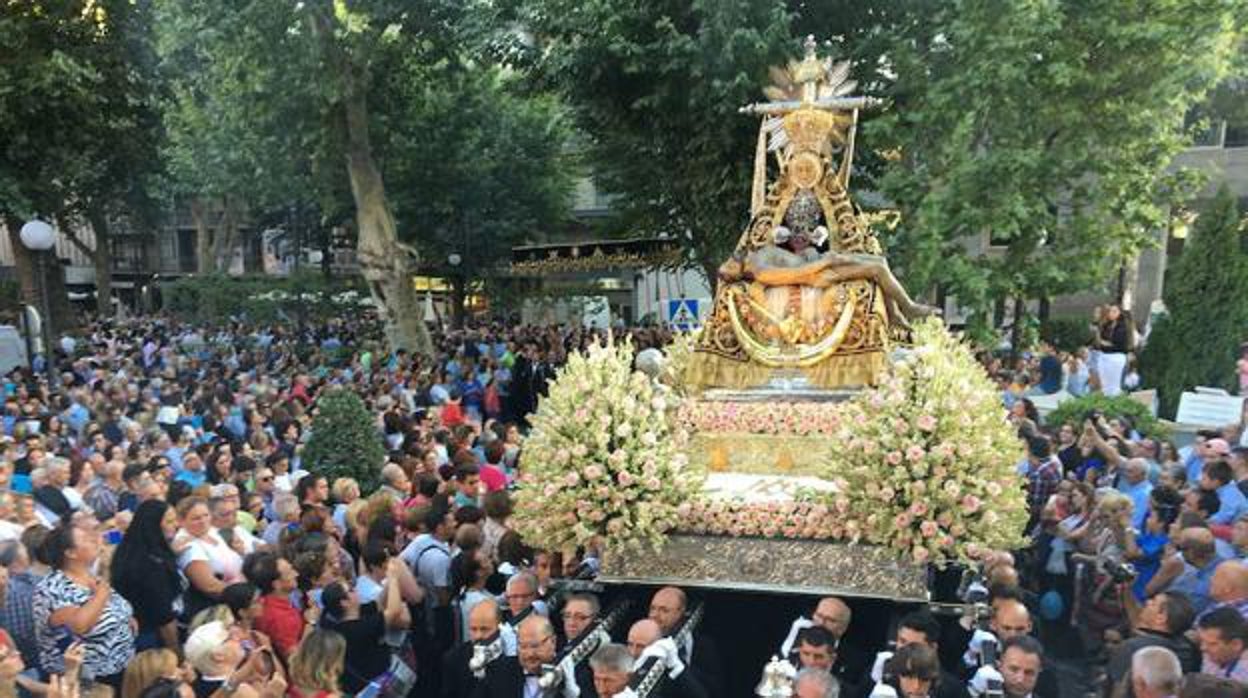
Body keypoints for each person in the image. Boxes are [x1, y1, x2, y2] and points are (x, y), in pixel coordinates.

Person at [32, 521, 135, 688]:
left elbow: (108, 609)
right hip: (88, 680)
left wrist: (125, 618)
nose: (95, 540)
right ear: (71, 553)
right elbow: (79, 625)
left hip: (120, 667)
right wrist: (102, 593)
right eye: (86, 539)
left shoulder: (89, 576)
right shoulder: (52, 588)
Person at [319, 561, 410, 694]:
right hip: (376, 686)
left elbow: (378, 604)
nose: (355, 590)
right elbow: (393, 611)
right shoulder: (355, 629)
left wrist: (389, 582)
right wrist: (394, 578)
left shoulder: (346, 615)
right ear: (344, 602)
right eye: (350, 591)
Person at [111, 499, 185, 652]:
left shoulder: (130, 547)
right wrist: (175, 651)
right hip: (151, 636)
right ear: (154, 526)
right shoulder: (151, 565)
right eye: (170, 521)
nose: (176, 525)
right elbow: (164, 616)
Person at [175, 496, 242, 621]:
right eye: (196, 518)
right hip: (214, 610)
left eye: (206, 515)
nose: (203, 521)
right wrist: (243, 595)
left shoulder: (211, 531)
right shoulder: (187, 544)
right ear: (181, 521)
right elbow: (209, 586)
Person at [1108, 591, 1199, 684]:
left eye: (1153, 603)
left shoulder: (1133, 648)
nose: (1147, 602)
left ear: (1161, 618)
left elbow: (1118, 688)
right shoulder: (1190, 648)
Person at [648, 586, 723, 696]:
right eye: (652, 608)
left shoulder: (705, 646)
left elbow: (715, 690)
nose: (654, 615)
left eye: (664, 610)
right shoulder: (643, 642)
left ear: (681, 613)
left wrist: (681, 668)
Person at [472, 615, 555, 698]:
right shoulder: (497, 672)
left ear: (553, 642)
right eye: (523, 646)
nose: (530, 654)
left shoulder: (565, 671)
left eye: (535, 646)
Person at [1197, 606, 1248, 682]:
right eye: (1201, 641)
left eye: (1212, 644)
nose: (1203, 648)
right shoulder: (1213, 656)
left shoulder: (1244, 671)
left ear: (1236, 644)